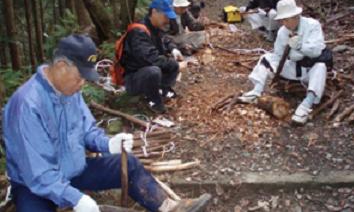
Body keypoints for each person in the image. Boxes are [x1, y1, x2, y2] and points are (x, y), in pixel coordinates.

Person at [2, 34, 211, 212]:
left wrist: (107, 143)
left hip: (73, 170)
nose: (82, 83)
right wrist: (76, 199)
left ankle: (168, 206)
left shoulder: (69, 90)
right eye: (80, 77)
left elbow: (86, 130)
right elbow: (39, 174)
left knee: (129, 164)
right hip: (35, 185)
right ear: (61, 66)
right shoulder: (26, 105)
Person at [239, 0, 331, 125]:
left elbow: (316, 51)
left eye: (287, 19)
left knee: (321, 67)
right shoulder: (283, 31)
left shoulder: (312, 25)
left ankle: (306, 104)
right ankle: (256, 91)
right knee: (266, 58)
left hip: (309, 70)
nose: (284, 23)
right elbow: (278, 54)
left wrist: (299, 46)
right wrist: (274, 68)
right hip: (293, 68)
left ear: (296, 16)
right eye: (282, 20)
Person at [121, 0, 186, 114]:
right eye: (165, 16)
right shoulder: (138, 32)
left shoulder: (154, 28)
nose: (167, 20)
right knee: (155, 70)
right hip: (133, 78)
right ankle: (153, 101)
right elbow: (151, 58)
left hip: (147, 72)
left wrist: (173, 50)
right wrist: (175, 64)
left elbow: (165, 39)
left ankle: (163, 90)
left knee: (168, 65)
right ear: (154, 12)